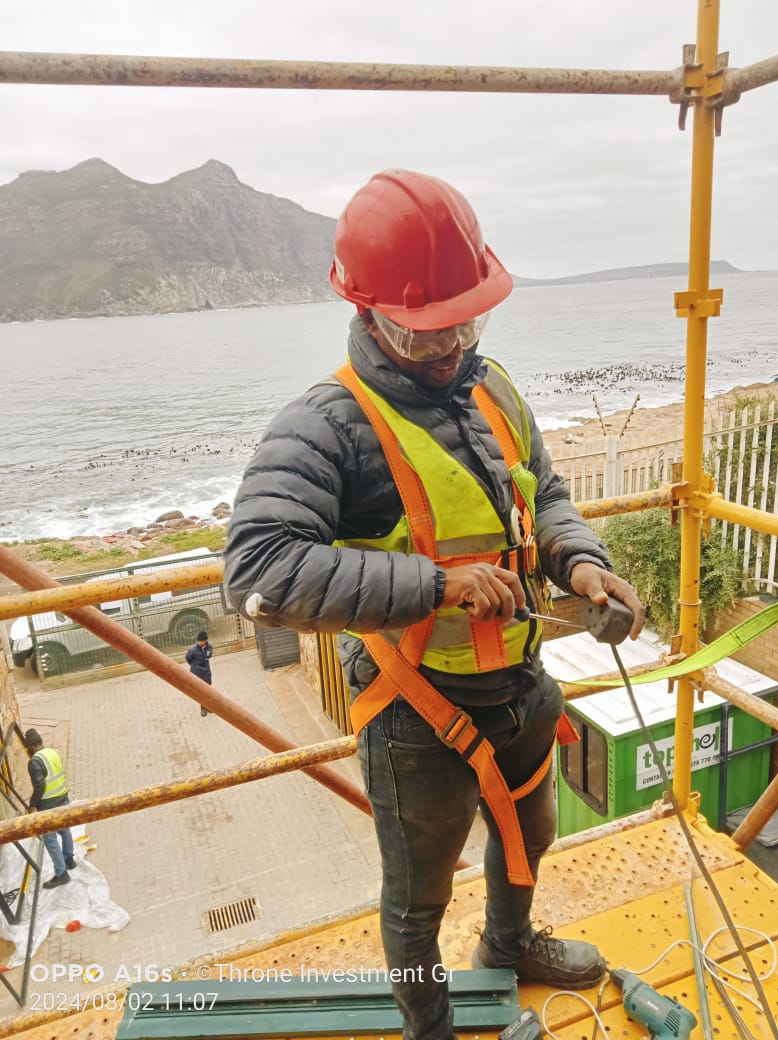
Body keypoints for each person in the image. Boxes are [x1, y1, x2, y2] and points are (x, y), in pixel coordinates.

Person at [224, 169, 645, 1040]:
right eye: (427, 332)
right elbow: (259, 573)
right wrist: (434, 585)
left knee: (530, 832)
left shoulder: (494, 392)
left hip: (518, 685)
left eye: (467, 322)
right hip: (417, 714)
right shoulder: (326, 427)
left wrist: (581, 563)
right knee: (417, 900)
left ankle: (509, 943)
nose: (451, 345)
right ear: (369, 312)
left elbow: (544, 493)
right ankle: (431, 1028)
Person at [24, 728, 76, 889]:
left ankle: (61, 874)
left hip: (48, 804)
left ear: (30, 746)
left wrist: (32, 804)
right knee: (65, 829)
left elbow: (40, 785)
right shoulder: (54, 752)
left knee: (50, 839)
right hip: (63, 797)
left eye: (27, 748)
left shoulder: (35, 762)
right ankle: (69, 860)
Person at [186, 630, 213, 716]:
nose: (199, 642)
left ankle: (208, 706)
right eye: (199, 641)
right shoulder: (192, 650)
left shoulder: (209, 648)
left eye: (201, 641)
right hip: (196, 673)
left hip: (206, 672)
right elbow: (188, 659)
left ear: (205, 641)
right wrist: (195, 666)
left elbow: (209, 656)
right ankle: (203, 708)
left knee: (208, 690)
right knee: (201, 692)